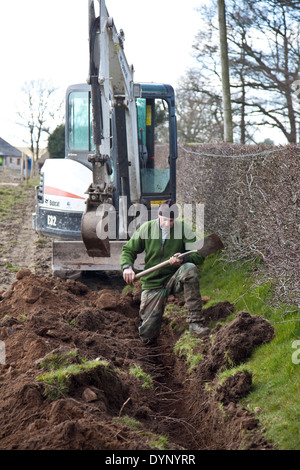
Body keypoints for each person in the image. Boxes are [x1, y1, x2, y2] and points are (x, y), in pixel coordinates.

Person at [121, 199, 210, 344]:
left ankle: (195, 323)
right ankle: (149, 341)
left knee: (190, 269)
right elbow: (128, 250)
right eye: (164, 220)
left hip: (173, 277)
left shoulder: (184, 230)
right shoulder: (147, 228)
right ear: (159, 216)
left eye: (171, 221)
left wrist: (183, 259)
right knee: (148, 335)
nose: (167, 224)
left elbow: (198, 255)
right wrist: (127, 267)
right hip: (153, 282)